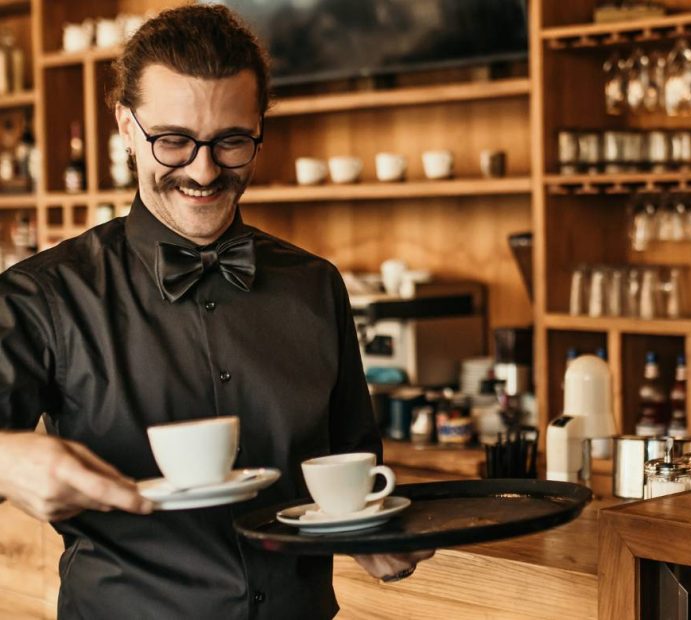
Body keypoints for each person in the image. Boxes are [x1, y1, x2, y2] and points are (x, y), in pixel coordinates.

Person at [0, 5, 431, 618]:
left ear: (259, 127)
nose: (203, 171)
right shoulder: (44, 295)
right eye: (173, 141)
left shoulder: (316, 286)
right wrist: (5, 460)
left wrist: (369, 528)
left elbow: (351, 471)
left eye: (231, 142)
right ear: (125, 125)